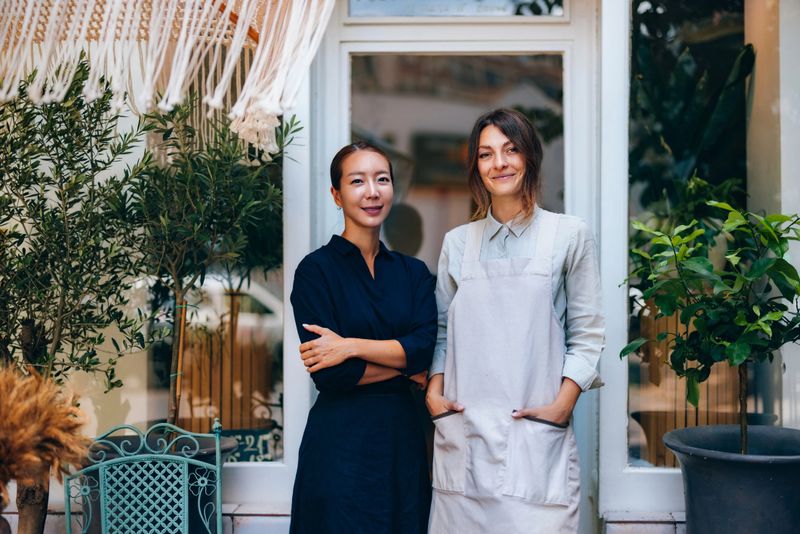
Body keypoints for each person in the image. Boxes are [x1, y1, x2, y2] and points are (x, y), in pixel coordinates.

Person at [425, 108, 604, 533]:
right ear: (476, 166)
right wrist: (434, 394)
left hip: (535, 434)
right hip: (464, 433)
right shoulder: (456, 243)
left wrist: (563, 404)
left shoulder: (568, 235)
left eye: (511, 149)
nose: (499, 163)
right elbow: (443, 331)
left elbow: (588, 332)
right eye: (486, 154)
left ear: (530, 157)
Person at [289, 141, 437, 534]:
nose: (372, 192)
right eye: (357, 181)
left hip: (401, 443)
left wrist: (349, 346)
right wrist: (405, 369)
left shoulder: (413, 273)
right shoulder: (315, 271)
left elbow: (424, 348)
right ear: (336, 195)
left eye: (382, 180)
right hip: (339, 445)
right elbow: (330, 375)